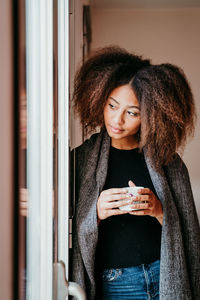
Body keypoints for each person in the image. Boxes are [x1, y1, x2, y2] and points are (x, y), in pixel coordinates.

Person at [71, 46, 200, 300]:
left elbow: (189, 231)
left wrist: (158, 209)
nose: (117, 120)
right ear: (99, 100)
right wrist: (95, 213)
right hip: (116, 283)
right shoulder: (81, 159)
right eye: (112, 105)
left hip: (164, 274)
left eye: (132, 113)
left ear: (150, 117)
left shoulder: (168, 161)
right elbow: (62, 227)